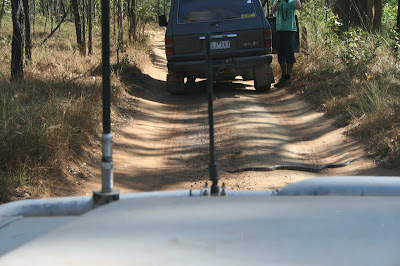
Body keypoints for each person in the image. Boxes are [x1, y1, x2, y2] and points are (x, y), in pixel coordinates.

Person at [272, 0, 302, 88]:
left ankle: (288, 78)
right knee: (281, 55)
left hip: (290, 30)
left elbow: (299, 6)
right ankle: (283, 77)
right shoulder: (277, 1)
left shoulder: (292, 1)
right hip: (280, 30)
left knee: (290, 54)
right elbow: (273, 10)